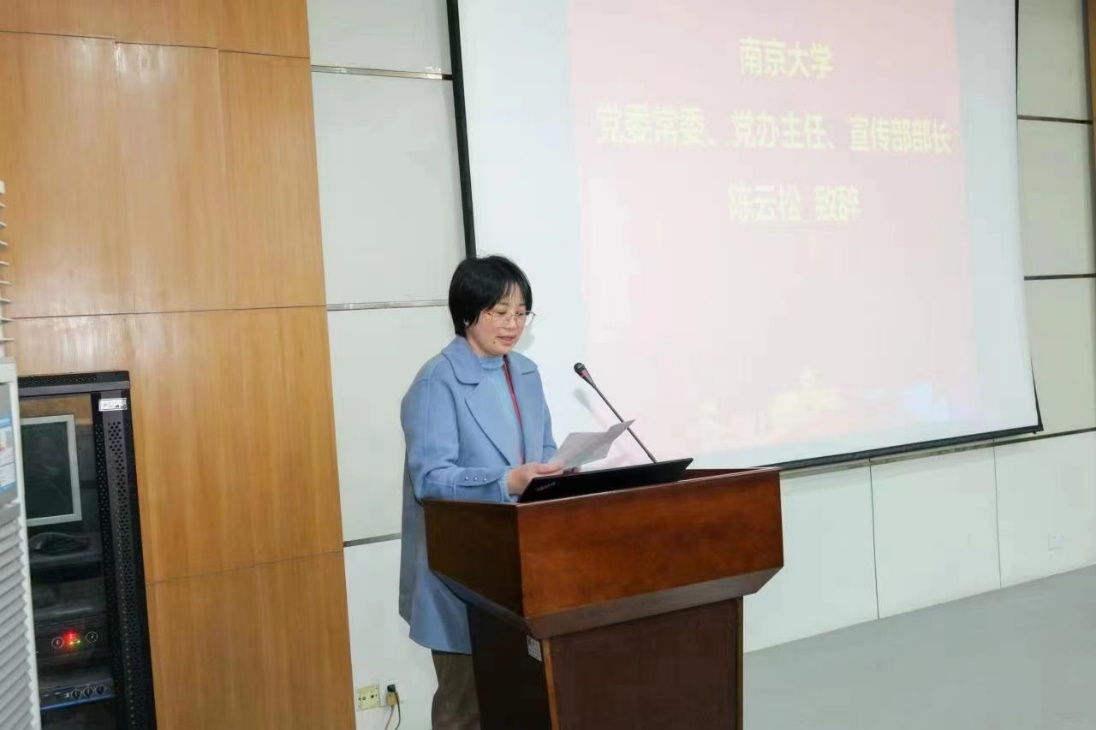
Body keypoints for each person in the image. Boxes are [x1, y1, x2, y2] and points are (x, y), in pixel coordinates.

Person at [398, 255, 560, 730]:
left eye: (522, 313)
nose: (513, 324)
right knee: (464, 710)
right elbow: (430, 479)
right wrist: (506, 481)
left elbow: (544, 448)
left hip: (524, 568)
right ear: (468, 313)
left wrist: (557, 470)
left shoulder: (526, 372)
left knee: (524, 703)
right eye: (500, 312)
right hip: (461, 572)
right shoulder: (437, 380)